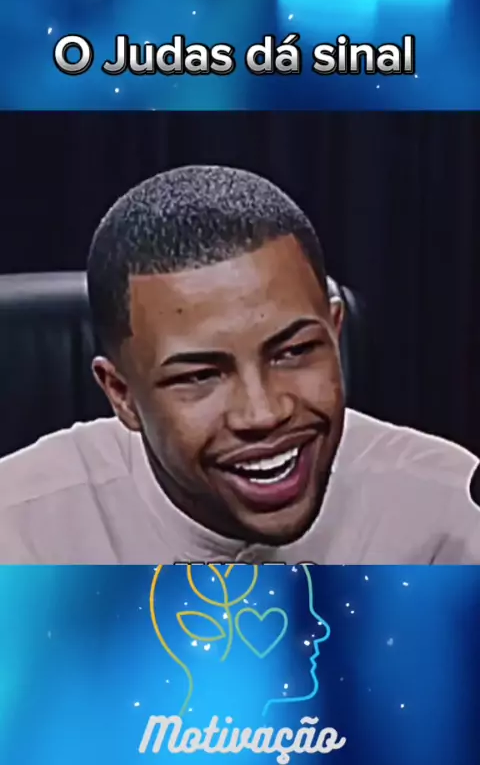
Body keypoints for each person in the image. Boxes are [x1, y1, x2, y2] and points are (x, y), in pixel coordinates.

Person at [0, 165, 478, 564]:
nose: (263, 413)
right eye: (199, 376)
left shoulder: (449, 514)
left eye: (294, 352)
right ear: (120, 394)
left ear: (335, 332)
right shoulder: (19, 533)